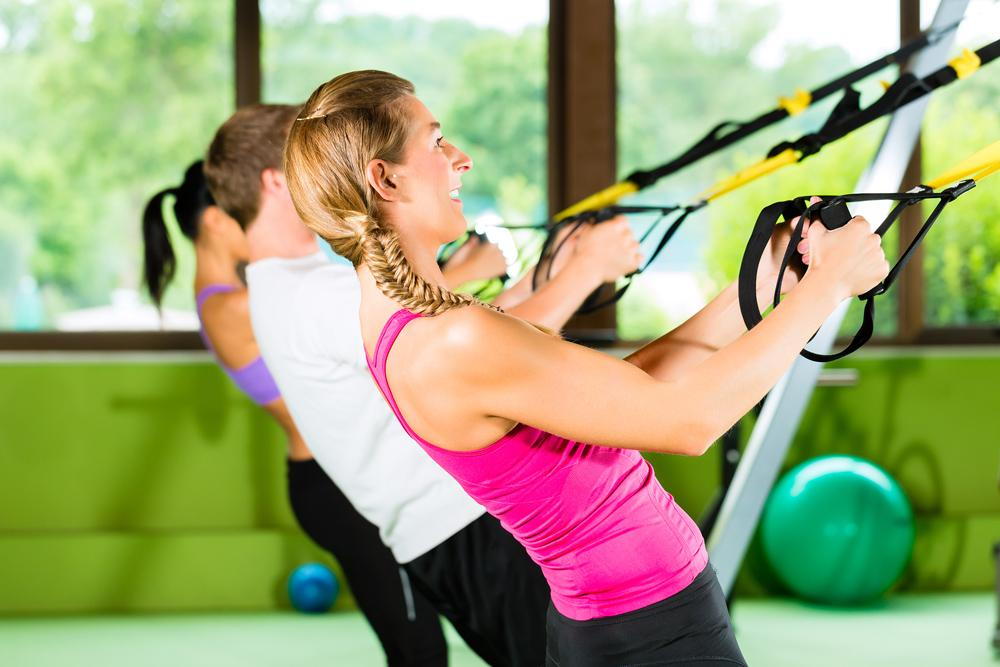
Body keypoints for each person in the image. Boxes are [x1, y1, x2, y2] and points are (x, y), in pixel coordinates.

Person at [283, 69, 891, 666]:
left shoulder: (420, 324)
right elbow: (689, 421)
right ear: (385, 178)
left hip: (632, 621)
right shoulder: (450, 339)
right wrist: (830, 284)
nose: (460, 159)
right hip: (646, 632)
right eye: (437, 141)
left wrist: (764, 280)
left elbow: (627, 390)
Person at [203, 103, 642, 666]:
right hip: (459, 529)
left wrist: (556, 269)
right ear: (275, 181)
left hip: (460, 525)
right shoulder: (310, 298)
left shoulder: (304, 285)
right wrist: (585, 270)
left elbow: (472, 326)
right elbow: (482, 356)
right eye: (309, 158)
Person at [141, 160, 514, 666]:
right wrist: (468, 268)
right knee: (418, 649)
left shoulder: (254, 294)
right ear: (214, 221)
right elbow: (372, 311)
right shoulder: (230, 305)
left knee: (422, 644)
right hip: (332, 487)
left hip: (341, 477)